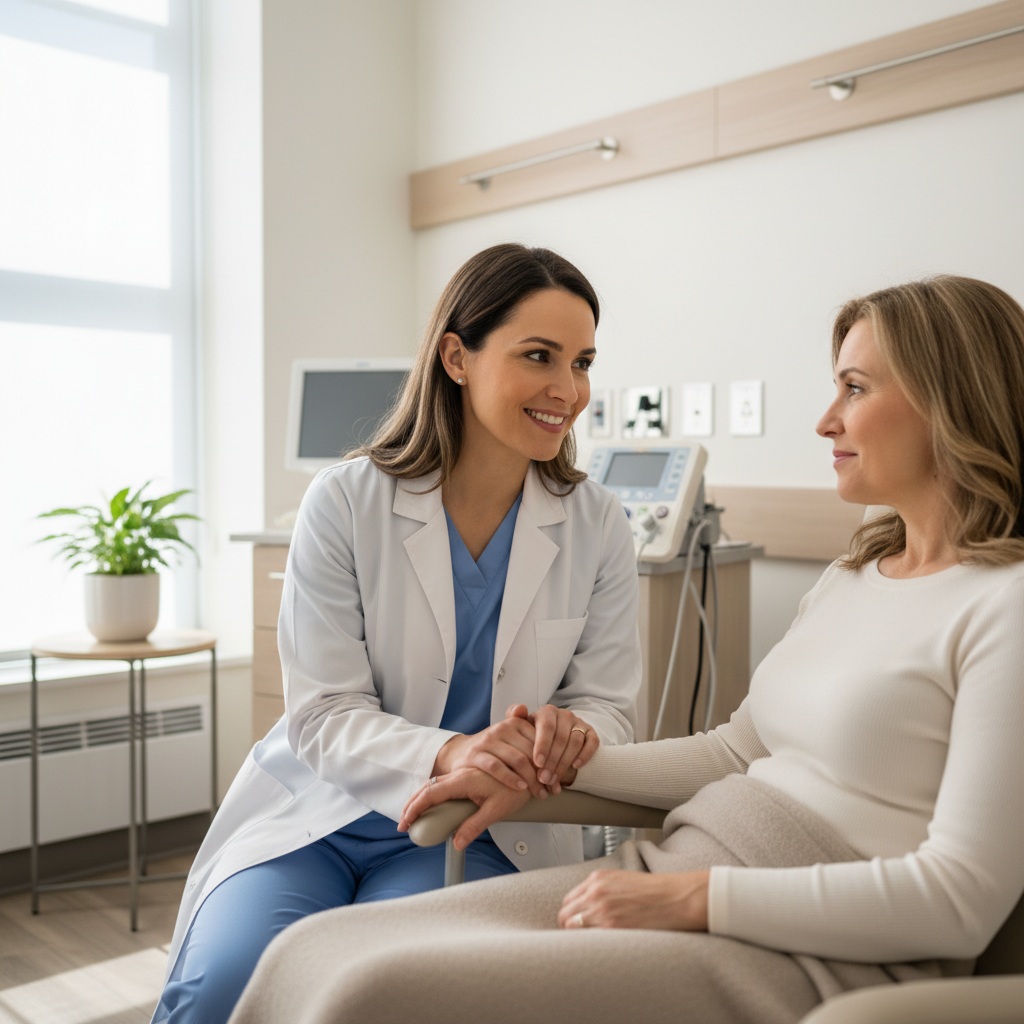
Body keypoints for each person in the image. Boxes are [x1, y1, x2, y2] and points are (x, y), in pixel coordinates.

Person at [227, 276, 1024, 1024]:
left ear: (951, 401)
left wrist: (697, 900)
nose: (826, 419)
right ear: (456, 361)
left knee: (378, 989)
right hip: (682, 868)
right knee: (314, 951)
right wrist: (527, 764)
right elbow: (735, 749)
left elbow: (957, 901)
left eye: (854, 388)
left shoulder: (1004, 606)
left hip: (800, 939)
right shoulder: (856, 574)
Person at [153, 244, 642, 1023]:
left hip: (474, 828)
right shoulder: (346, 502)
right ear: (457, 356)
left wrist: (571, 731)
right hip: (319, 811)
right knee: (228, 981)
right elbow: (321, 712)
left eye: (581, 362)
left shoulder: (599, 525)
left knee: (386, 990)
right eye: (539, 357)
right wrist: (453, 749)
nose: (569, 390)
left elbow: (611, 706)